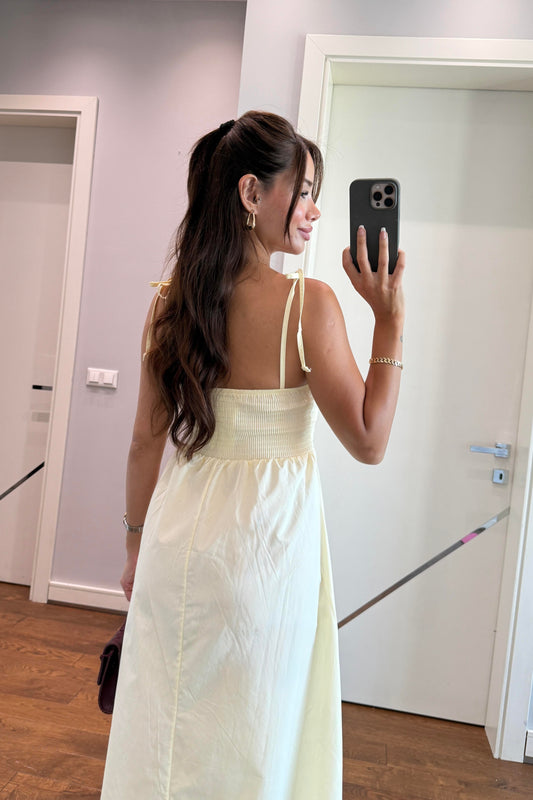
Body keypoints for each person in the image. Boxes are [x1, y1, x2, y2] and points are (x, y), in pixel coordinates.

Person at [100, 110, 405, 800]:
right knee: (254, 734)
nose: (314, 210)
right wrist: (389, 319)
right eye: (303, 192)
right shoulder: (307, 305)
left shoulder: (169, 305)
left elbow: (146, 440)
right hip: (264, 551)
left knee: (167, 729)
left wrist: (134, 546)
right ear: (250, 193)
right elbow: (369, 440)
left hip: (176, 545)